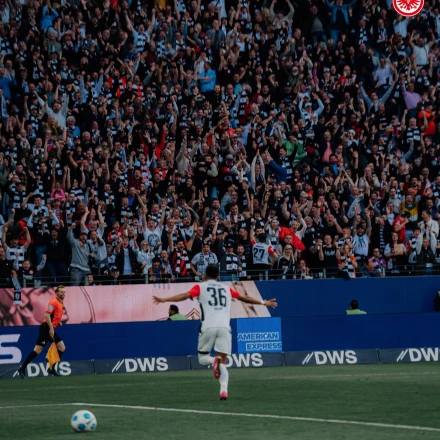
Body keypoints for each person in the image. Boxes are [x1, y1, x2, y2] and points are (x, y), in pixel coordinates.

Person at [153, 265, 277, 400]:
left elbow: (184, 295)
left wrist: (165, 299)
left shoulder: (200, 287)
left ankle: (213, 361)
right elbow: (244, 298)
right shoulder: (226, 289)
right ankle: (223, 390)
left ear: (205, 275)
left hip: (208, 327)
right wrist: (263, 302)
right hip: (224, 328)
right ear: (218, 276)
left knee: (202, 359)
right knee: (223, 362)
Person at [17, 285, 66, 378]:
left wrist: (57, 322)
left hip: (50, 327)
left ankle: (51, 368)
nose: (63, 293)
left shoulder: (60, 303)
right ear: (56, 293)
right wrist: (51, 328)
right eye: (61, 292)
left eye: (64, 292)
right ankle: (22, 368)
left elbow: (53, 316)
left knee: (61, 347)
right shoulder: (53, 302)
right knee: (38, 349)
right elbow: (47, 315)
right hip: (46, 328)